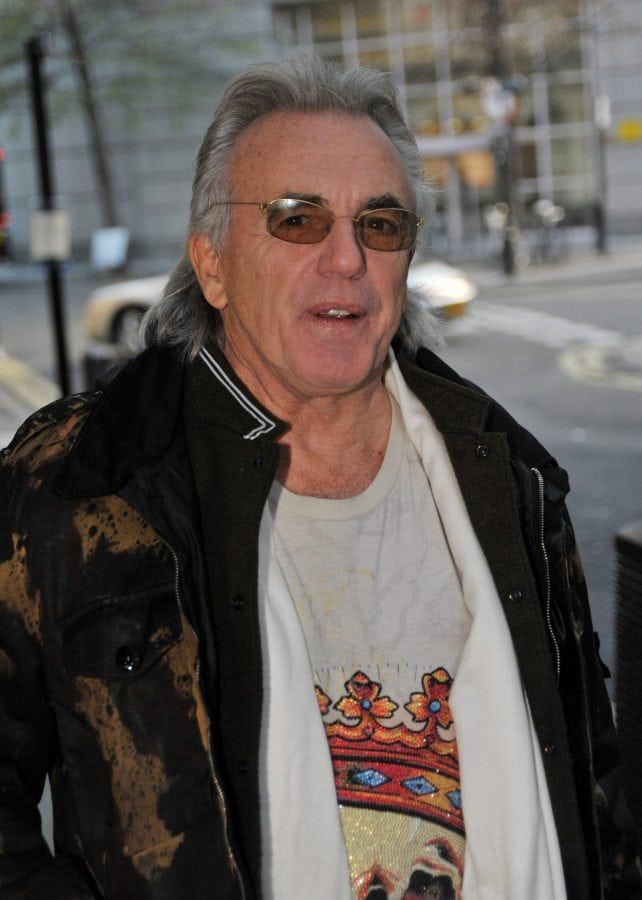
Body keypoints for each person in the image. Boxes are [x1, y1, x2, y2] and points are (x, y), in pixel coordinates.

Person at [0, 56, 638, 900]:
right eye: (297, 219)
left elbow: (594, 794)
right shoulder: (84, 484)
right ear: (213, 264)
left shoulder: (505, 474)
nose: (347, 258)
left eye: (381, 223)